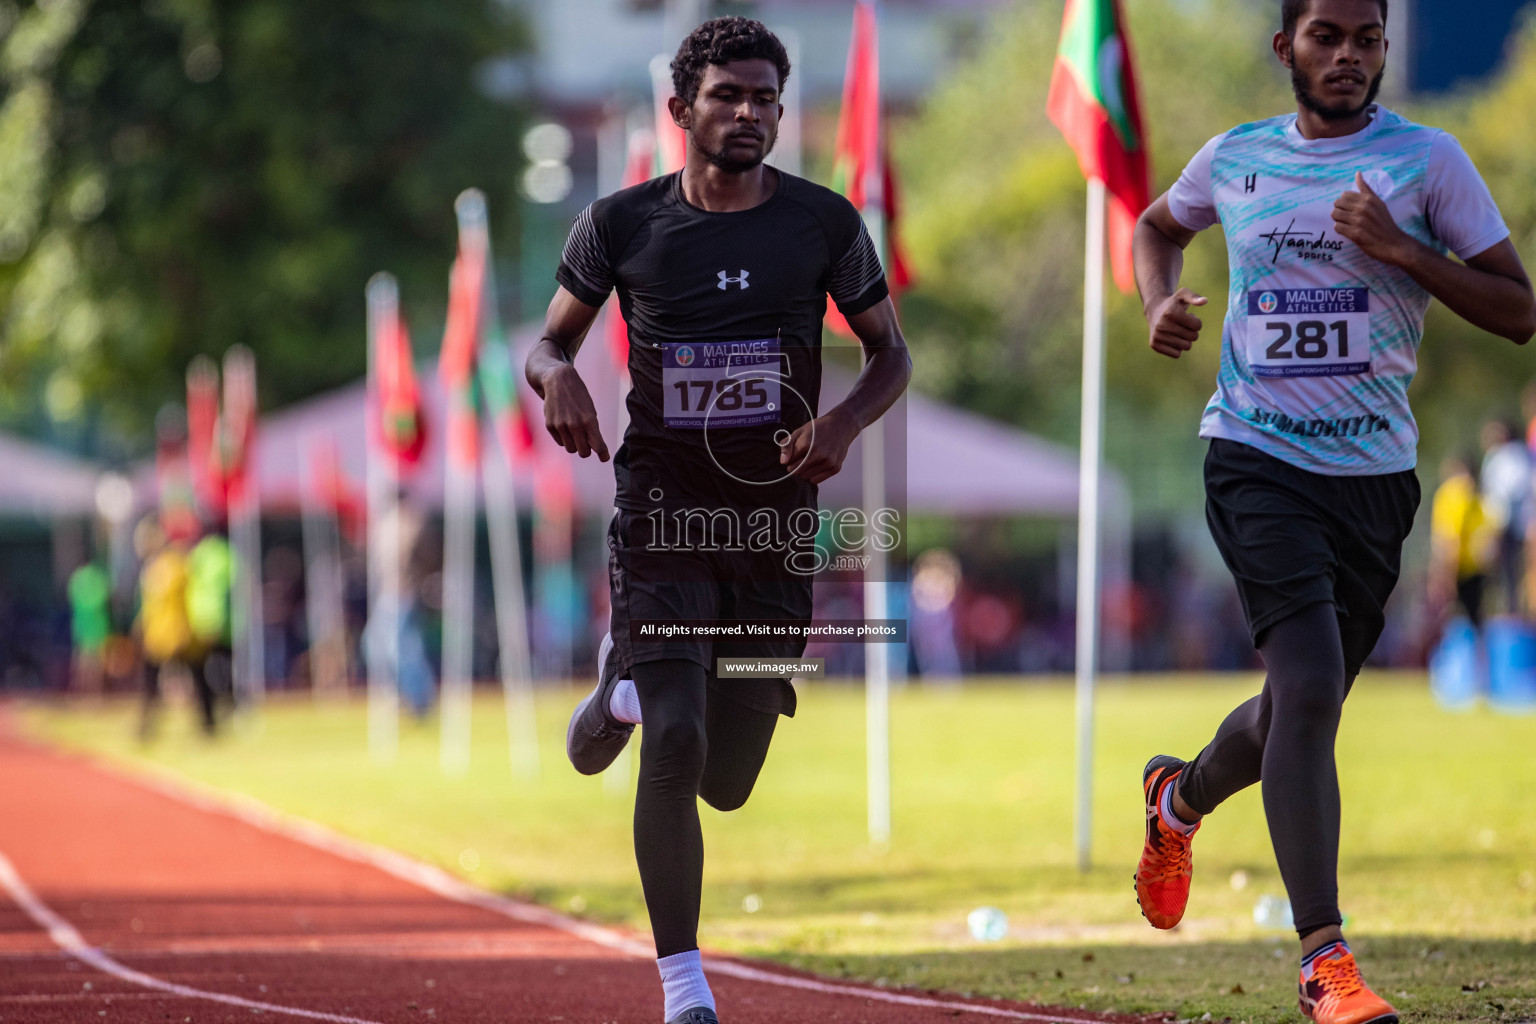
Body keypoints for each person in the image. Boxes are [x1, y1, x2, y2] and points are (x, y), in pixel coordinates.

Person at [1130, 1, 1536, 1021]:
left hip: (1373, 478)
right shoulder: (1235, 157)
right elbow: (1155, 227)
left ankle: (1176, 800)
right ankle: (1326, 961)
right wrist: (1157, 304)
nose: (1348, 57)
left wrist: (1402, 252)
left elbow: (1520, 310)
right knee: (1306, 686)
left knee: (1292, 714)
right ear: (1287, 48)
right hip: (1255, 457)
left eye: (1367, 40)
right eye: (1326, 37)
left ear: (1384, 50)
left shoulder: (1428, 161)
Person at [525, 18, 910, 1024]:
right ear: (682, 109)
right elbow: (546, 347)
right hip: (660, 508)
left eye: (765, 100)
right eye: (728, 96)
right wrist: (560, 380)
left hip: (773, 523)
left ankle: (620, 696)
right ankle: (684, 985)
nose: (748, 114)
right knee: (682, 738)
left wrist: (843, 423)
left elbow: (890, 356)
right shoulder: (620, 225)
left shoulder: (823, 225)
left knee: (730, 780)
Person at [1428, 453, 1494, 630]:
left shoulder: (1453, 493)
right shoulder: (1477, 495)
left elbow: (1450, 540)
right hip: (1474, 567)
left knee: (1446, 620)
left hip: (1457, 569)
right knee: (1476, 621)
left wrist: (1446, 577)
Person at [1477, 419, 1531, 614]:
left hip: (1507, 525)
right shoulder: (1520, 455)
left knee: (1507, 576)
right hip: (1516, 524)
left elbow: (1502, 496)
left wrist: (1494, 528)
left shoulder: (1507, 457)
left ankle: (1511, 616)